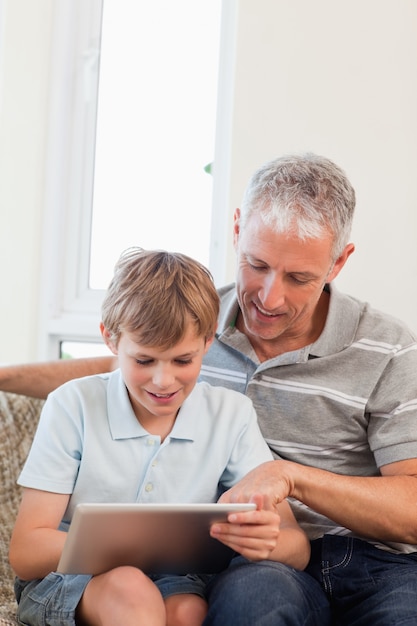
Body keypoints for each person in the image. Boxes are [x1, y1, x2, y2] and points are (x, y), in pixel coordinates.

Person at [4, 151, 417, 625]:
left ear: (339, 262)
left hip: (376, 563)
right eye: (256, 264)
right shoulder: (197, 318)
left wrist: (291, 478)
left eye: (299, 278)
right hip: (257, 573)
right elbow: (112, 373)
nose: (268, 297)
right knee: (239, 605)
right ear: (237, 230)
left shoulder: (387, 348)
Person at [8, 248, 310, 626]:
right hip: (69, 578)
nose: (163, 382)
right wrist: (126, 548)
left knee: (189, 612)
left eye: (183, 361)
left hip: (176, 581)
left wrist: (270, 541)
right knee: (131, 590)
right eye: (144, 361)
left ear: (208, 343)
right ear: (112, 340)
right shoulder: (72, 405)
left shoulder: (231, 415)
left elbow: (297, 548)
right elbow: (26, 550)